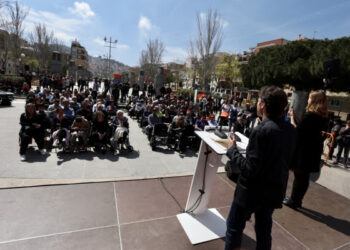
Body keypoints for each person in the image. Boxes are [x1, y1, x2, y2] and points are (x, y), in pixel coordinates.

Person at [225, 86, 296, 250]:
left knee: (234, 227)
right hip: (273, 192)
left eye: (258, 101)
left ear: (263, 105)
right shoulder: (291, 130)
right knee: (264, 231)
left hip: (251, 194)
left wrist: (232, 150)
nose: (256, 104)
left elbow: (250, 169)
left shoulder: (262, 130)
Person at [284, 90, 329, 209]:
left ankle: (294, 200)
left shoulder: (310, 115)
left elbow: (298, 131)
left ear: (314, 100)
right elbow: (306, 128)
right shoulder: (322, 116)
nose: (308, 100)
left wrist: (292, 119)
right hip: (313, 149)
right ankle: (297, 200)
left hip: (304, 151)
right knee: (304, 177)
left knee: (300, 177)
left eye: (309, 98)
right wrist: (297, 118)